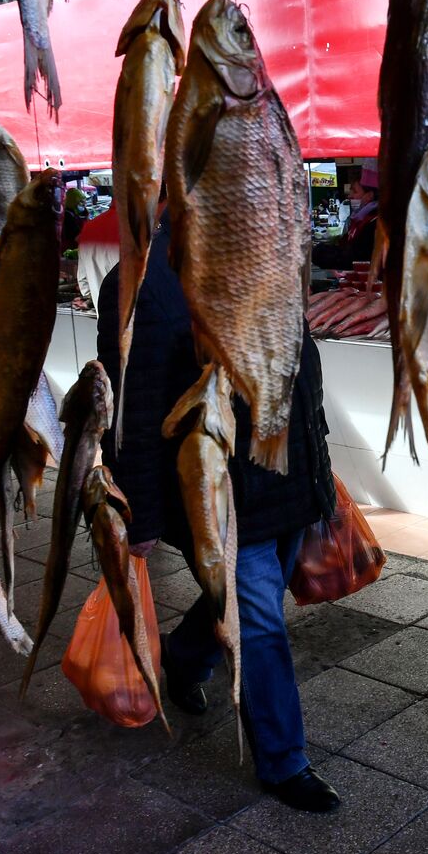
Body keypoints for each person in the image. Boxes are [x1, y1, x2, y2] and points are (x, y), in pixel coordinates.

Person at [96, 210, 340, 812]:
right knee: (259, 622)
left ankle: (184, 657)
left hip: (285, 477)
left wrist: (320, 479)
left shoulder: (264, 251)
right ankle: (285, 762)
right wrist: (140, 515)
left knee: (233, 599)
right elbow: (132, 408)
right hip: (221, 493)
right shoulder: (143, 282)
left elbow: (301, 372)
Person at [310, 164, 379, 269]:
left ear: (369, 195)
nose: (350, 195)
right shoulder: (359, 220)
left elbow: (354, 258)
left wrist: (317, 253)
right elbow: (345, 247)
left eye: (355, 191)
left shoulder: (374, 223)